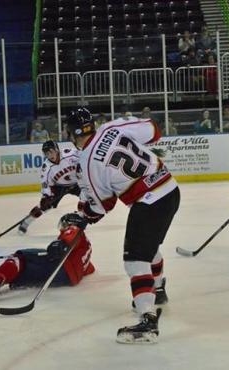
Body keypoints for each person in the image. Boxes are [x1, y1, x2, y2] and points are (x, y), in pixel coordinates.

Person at [66, 107, 180, 344]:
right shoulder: (110, 128)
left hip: (149, 202)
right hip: (170, 189)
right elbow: (153, 130)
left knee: (135, 260)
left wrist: (84, 214)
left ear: (72, 133)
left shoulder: (87, 163)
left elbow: (102, 206)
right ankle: (157, 290)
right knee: (148, 247)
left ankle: (147, 320)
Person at [0, 213, 94, 302]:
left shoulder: (75, 231)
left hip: (59, 270)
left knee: (19, 256)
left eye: (63, 225)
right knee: (19, 273)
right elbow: (89, 268)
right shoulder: (86, 246)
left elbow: (66, 239)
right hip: (63, 279)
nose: (62, 228)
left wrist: (58, 244)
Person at [18, 140, 81, 234]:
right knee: (45, 206)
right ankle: (26, 221)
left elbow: (86, 156)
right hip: (59, 186)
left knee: (89, 198)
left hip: (77, 183)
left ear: (57, 150)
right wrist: (46, 196)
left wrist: (82, 167)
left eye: (51, 151)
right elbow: (45, 183)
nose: (50, 155)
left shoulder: (71, 154)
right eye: (47, 153)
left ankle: (79, 218)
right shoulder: (46, 166)